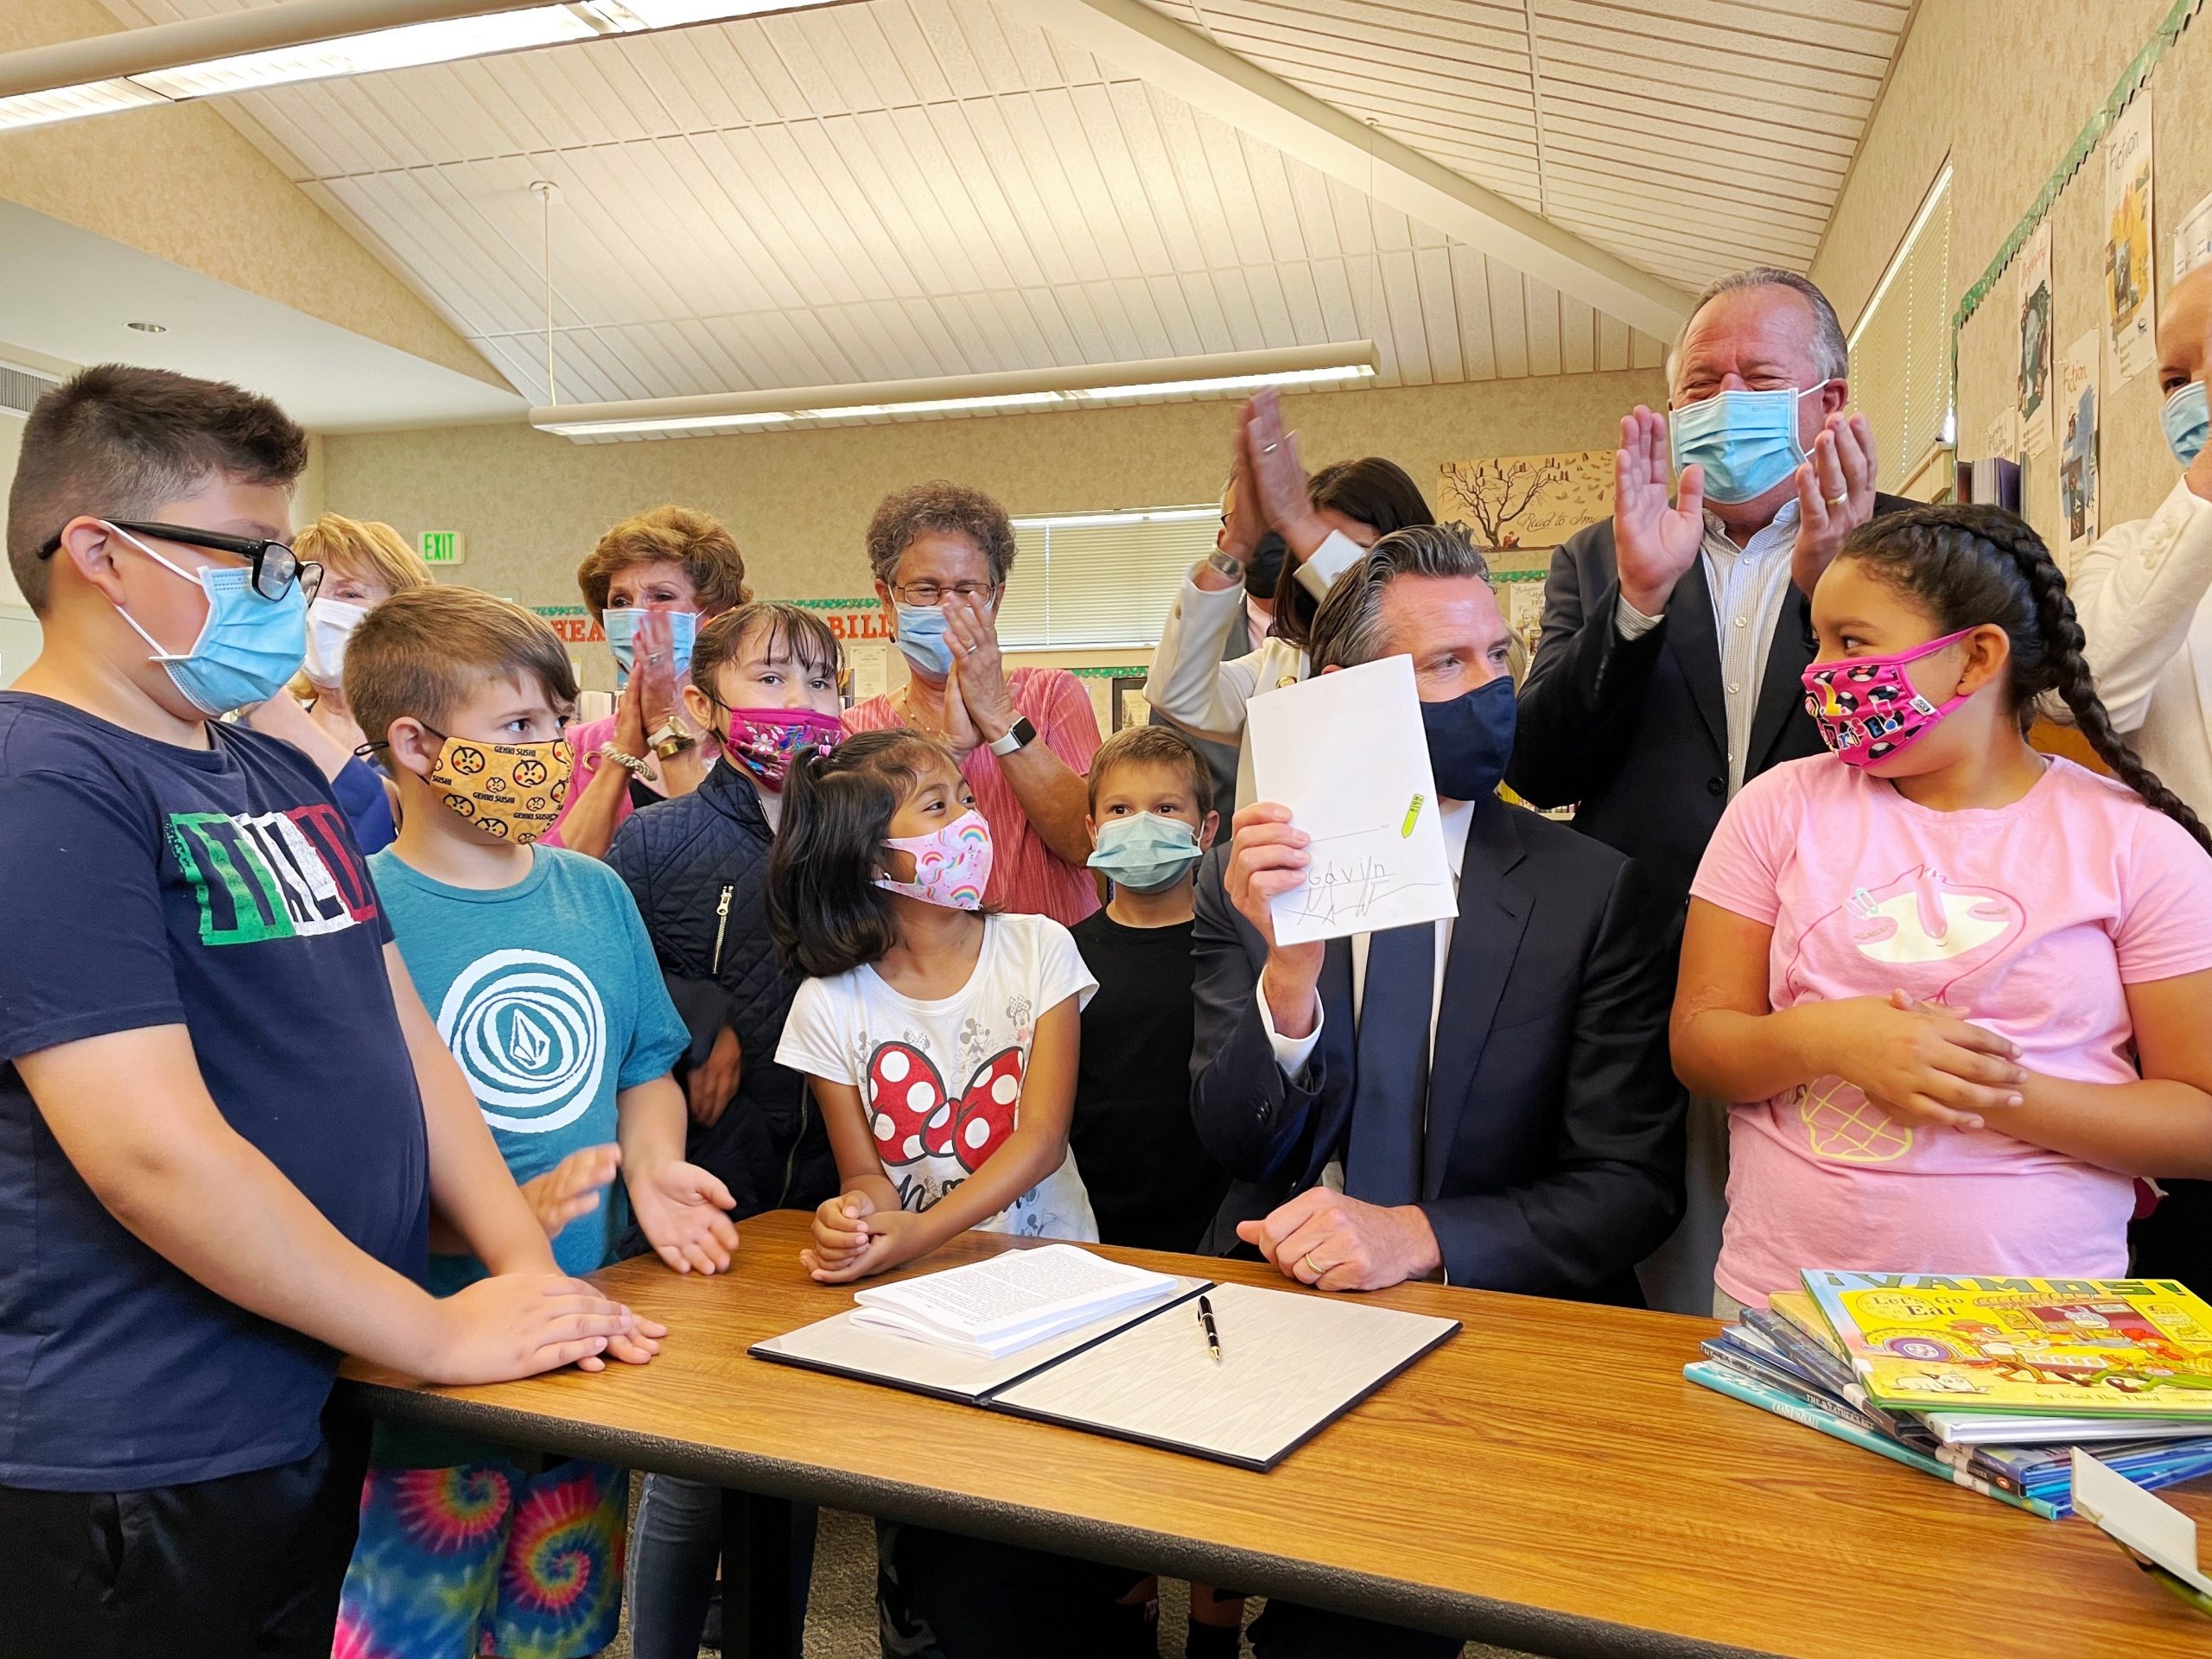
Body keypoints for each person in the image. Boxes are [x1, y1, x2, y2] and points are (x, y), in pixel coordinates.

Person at [0, 364, 640, 1655]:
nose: (283, 598)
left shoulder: (254, 762)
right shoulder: (43, 780)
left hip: (309, 1385)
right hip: (134, 1445)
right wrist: (433, 1331)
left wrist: (524, 1277)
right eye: (249, 557)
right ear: (99, 556)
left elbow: (395, 1024)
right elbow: (146, 1152)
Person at [1192, 522, 1681, 1656]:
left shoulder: (1593, 895)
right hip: (1285, 1305)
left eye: (1498, 657)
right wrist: (1290, 972)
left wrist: (1419, 1235)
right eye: (1444, 665)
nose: (1490, 690)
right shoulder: (1258, 874)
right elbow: (1229, 1138)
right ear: (1346, 695)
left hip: (1490, 1327)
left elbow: (1629, 1187)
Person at [1672, 505, 2212, 1315]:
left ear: (1974, 660)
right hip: (1783, 1307)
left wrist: (1982, 1087)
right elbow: (1701, 1044)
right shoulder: (1776, 808)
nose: (1819, 673)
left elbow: (2199, 1120)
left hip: (2041, 1321)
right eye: (1815, 642)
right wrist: (1831, 1038)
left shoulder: (2135, 843)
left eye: (1852, 644)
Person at [336, 586, 740, 1659]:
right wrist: (474, 1225)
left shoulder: (594, 892)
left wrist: (653, 1167)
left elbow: (646, 1061)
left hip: (582, 1349)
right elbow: (329, 1171)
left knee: (555, 1638)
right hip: (422, 1384)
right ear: (416, 746)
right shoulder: (353, 914)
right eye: (516, 727)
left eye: (560, 721)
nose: (552, 750)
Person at [1505, 266, 1908, 1314]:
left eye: (1757, 376)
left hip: (1853, 968)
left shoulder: (1914, 552)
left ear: (1830, 403)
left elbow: (1936, 750)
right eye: (1699, 384)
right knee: (1665, 1255)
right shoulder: (1598, 558)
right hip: (1646, 963)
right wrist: (1638, 601)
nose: (1724, 404)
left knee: (1833, 1260)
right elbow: (1540, 767)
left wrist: (1841, 585)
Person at [770, 729, 1147, 1659]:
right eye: (936, 808)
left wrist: (914, 1232)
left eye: (963, 801)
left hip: (1059, 1288)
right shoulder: (832, 1004)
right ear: (870, 855)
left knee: (1078, 1526)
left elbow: (1039, 1139)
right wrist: (857, 1219)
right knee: (946, 1542)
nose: (968, 824)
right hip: (925, 1314)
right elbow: (863, 1172)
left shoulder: (1036, 949)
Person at [607, 601, 848, 1659]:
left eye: (823, 683)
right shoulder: (654, 838)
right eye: (771, 679)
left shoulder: (858, 826)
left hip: (834, 1180)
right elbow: (617, 980)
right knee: (691, 1457)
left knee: (799, 1441)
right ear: (703, 705)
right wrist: (702, 1020)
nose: (800, 704)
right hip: (707, 1175)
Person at [2069, 262, 2212, 1289]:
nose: (2194, 397)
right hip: (2181, 1012)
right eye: (2174, 378)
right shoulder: (2129, 551)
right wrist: (2202, 509)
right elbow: (2099, 692)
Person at [1146, 391, 1435, 809]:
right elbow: (1176, 694)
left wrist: (1299, 521)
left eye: (1344, 553)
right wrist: (1237, 545)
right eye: (1309, 550)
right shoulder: (1281, 661)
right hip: (1282, 872)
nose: (1321, 564)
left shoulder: (1472, 651)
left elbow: (1396, 625)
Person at [842, 482, 1103, 925]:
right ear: (888, 600)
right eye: (926, 590)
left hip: (1057, 964)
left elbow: (1086, 844)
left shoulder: (1053, 695)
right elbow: (863, 867)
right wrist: (950, 752)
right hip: (926, 972)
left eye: (967, 590)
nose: (948, 608)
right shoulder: (856, 732)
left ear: (995, 599)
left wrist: (1000, 717)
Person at [1070, 722, 1228, 1251]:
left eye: (1165, 808)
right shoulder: (1059, 956)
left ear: (1205, 830)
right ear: (1093, 830)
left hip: (1220, 1232)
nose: (1141, 824)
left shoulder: (1236, 954)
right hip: (1093, 1231)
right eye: (1120, 810)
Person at [543, 504, 752, 858]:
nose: (637, 614)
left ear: (715, 618)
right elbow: (557, 873)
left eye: (662, 596)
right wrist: (620, 757)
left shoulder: (750, 746)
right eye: (620, 601)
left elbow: (732, 862)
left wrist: (666, 732)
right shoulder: (576, 748)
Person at [243, 512, 432, 853]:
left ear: (402, 612)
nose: (319, 611)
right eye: (306, 592)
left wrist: (263, 698)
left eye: (349, 595)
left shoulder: (435, 735)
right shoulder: (251, 734)